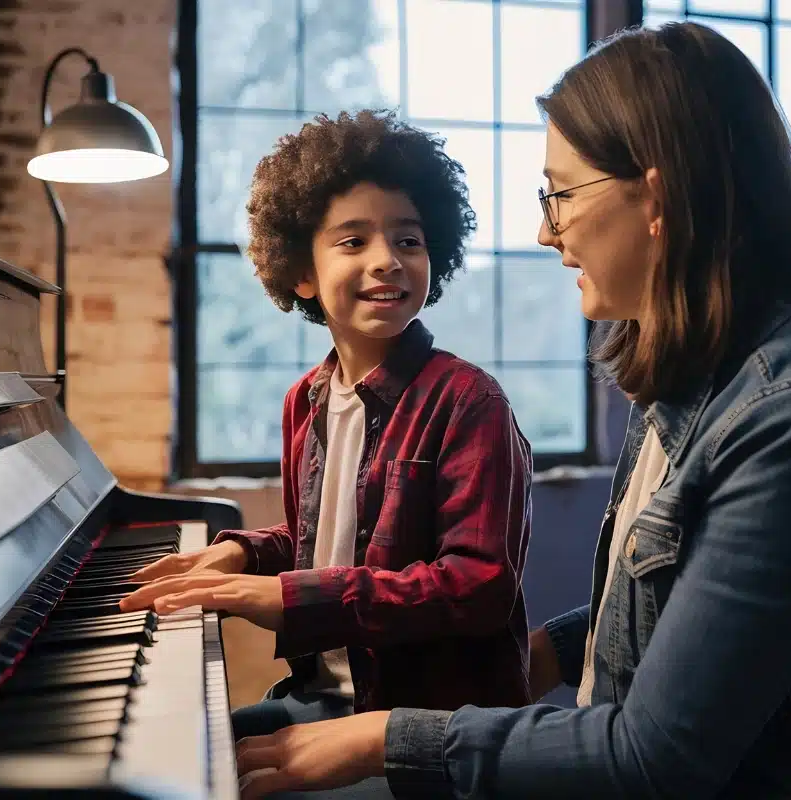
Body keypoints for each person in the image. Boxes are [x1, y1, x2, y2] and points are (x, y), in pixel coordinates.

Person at [228, 21, 791, 800]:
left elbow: (653, 758)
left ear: (657, 198)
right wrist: (539, 655)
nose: (546, 231)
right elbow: (682, 615)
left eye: (561, 194)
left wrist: (384, 737)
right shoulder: (685, 382)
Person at [120, 111, 535, 748]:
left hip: (423, 728)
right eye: (353, 241)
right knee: (171, 750)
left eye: (408, 240)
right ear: (302, 271)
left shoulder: (469, 401)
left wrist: (289, 598)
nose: (387, 261)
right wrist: (245, 555)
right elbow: (327, 539)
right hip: (320, 698)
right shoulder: (305, 401)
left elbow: (477, 587)